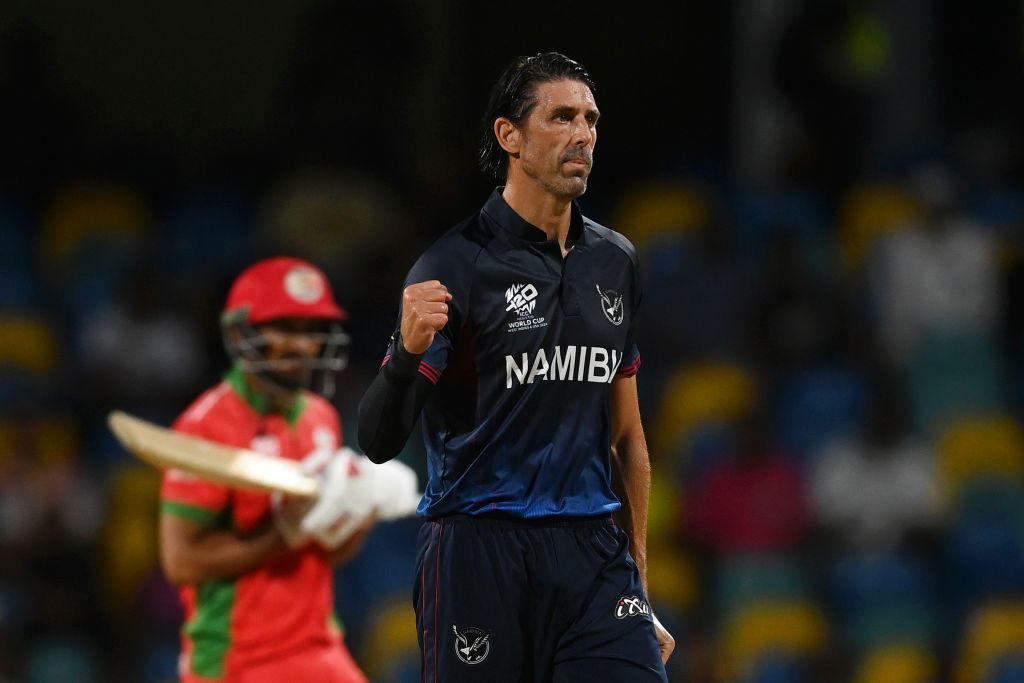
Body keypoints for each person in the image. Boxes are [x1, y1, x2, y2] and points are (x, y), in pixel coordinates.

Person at [358, 52, 675, 681]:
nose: (583, 133)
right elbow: (377, 441)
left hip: (592, 554)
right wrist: (405, 356)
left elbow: (627, 436)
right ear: (510, 136)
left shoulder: (616, 261)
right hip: (481, 548)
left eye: (590, 119)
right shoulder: (454, 265)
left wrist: (637, 573)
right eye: (561, 117)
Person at [158, 256, 418, 683]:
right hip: (238, 660)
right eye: (285, 328)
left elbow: (328, 552)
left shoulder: (319, 417)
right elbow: (182, 563)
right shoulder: (206, 426)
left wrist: (360, 510)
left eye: (311, 330)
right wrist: (283, 533)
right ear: (242, 332)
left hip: (317, 643)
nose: (302, 345)